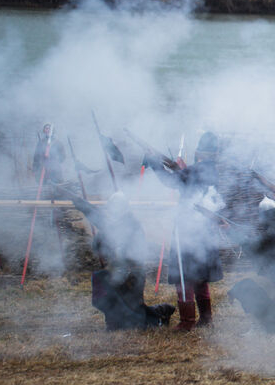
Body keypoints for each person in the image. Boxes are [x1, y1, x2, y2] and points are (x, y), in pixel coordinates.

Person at [150, 131, 225, 331]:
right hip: (203, 232)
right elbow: (184, 180)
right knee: (199, 277)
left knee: (185, 277)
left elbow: (171, 182)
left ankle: (187, 321)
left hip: (189, 233)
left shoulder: (197, 170)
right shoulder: (210, 171)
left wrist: (155, 165)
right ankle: (206, 319)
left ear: (200, 151)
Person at [70, 191, 175, 330]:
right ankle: (115, 320)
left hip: (133, 274)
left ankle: (161, 311)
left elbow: (134, 253)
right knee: (115, 318)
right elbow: (99, 241)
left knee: (135, 319)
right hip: (117, 271)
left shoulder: (132, 225)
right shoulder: (113, 224)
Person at [226, 197, 275, 334]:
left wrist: (230, 231)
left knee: (243, 288)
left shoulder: (274, 231)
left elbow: (254, 248)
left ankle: (259, 328)